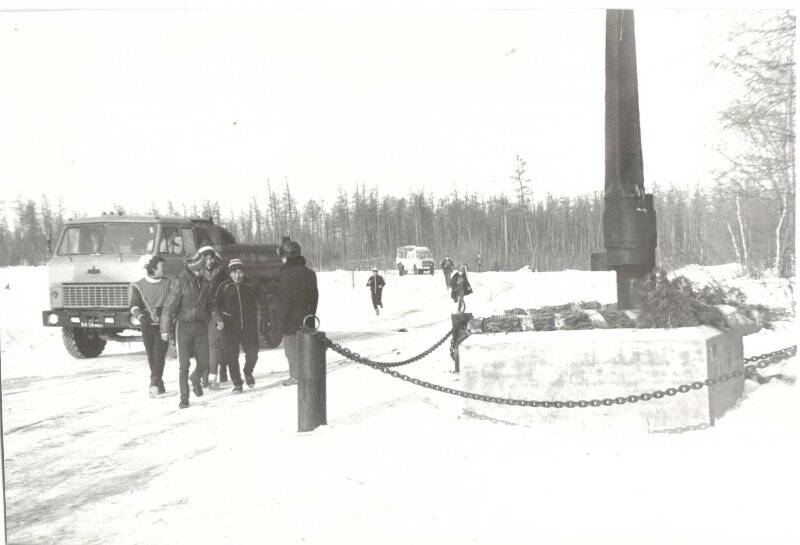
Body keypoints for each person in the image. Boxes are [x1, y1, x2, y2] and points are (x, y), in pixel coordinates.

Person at [160, 247, 224, 409]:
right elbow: (168, 307)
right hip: (184, 327)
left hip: (200, 327)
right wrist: (164, 329)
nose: (206, 269)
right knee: (184, 365)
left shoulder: (205, 283)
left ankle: (195, 379)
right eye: (202, 266)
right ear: (196, 267)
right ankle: (184, 398)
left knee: (204, 362)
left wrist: (217, 319)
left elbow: (210, 304)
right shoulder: (180, 282)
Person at [275, 240, 318, 387]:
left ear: (285, 257)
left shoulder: (284, 275)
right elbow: (314, 298)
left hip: (290, 323)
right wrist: (310, 315)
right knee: (306, 350)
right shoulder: (310, 274)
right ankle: (306, 374)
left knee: (291, 352)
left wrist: (280, 323)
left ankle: (295, 376)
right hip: (307, 320)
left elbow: (283, 302)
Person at [130, 255, 171, 397]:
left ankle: (153, 384)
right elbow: (134, 305)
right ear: (153, 268)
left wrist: (166, 311)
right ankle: (159, 383)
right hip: (147, 324)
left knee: (159, 354)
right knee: (151, 355)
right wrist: (140, 316)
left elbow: (172, 301)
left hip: (163, 324)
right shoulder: (139, 285)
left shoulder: (168, 283)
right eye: (162, 267)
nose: (164, 269)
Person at [216, 259, 259, 392]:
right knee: (231, 355)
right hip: (230, 327)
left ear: (243, 272)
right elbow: (217, 305)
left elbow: (260, 301)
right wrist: (224, 315)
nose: (237, 275)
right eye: (234, 272)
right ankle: (237, 382)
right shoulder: (223, 286)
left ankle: (248, 371)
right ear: (230, 273)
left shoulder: (250, 285)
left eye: (240, 272)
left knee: (253, 353)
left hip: (249, 326)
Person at [199, 246, 229, 390]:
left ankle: (213, 377)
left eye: (211, 258)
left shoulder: (222, 272)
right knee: (203, 345)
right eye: (206, 258)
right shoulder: (197, 273)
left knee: (214, 344)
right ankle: (205, 375)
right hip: (200, 314)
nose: (209, 261)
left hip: (217, 312)